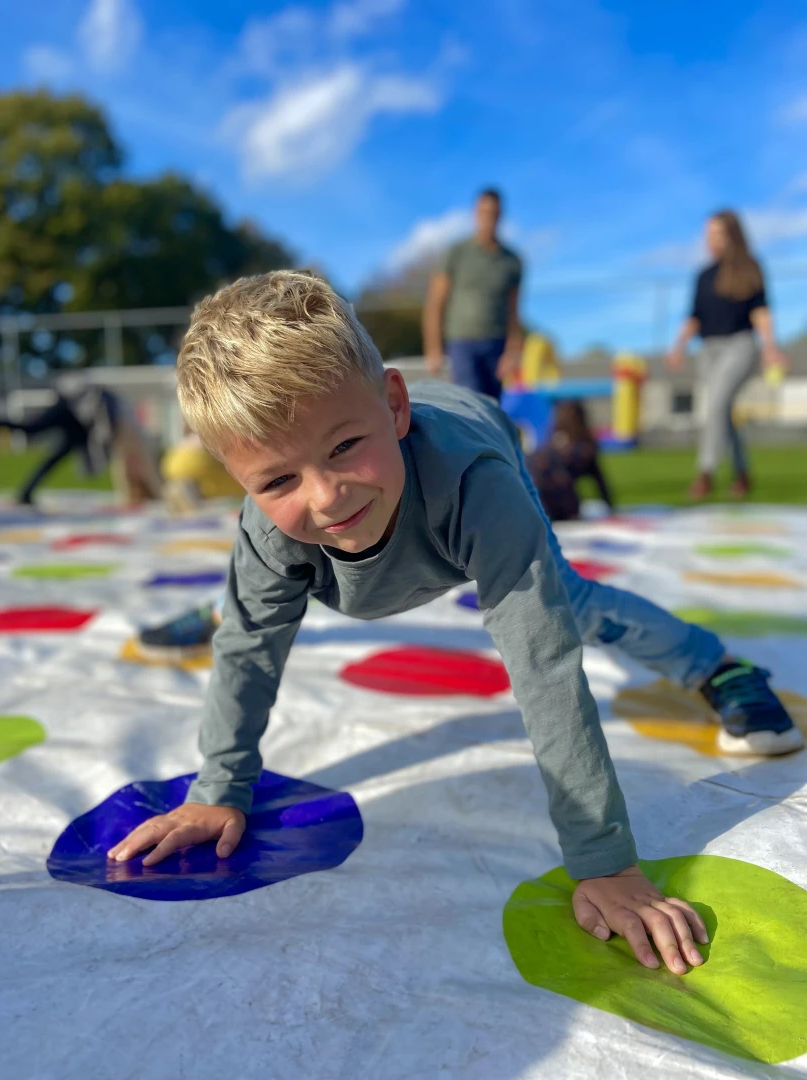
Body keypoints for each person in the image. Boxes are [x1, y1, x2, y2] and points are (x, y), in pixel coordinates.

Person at [110, 272, 802, 978]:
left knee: (562, 602)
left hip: (474, 454)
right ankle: (231, 600)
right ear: (242, 482)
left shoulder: (476, 484)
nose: (327, 495)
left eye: (346, 446)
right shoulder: (268, 531)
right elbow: (251, 655)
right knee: (254, 618)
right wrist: (220, 788)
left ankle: (719, 665)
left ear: (395, 405)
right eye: (278, 482)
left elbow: (544, 665)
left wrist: (606, 863)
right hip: (303, 560)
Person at [667, 210, 789, 500]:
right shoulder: (703, 276)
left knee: (717, 403)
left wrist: (771, 347)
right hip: (709, 350)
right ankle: (742, 472)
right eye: (708, 234)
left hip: (740, 346)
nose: (711, 240)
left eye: (718, 234)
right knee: (722, 412)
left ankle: (705, 473)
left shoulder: (750, 268)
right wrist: (678, 346)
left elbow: (760, 312)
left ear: (732, 236)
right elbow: (695, 317)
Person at [422, 189, 523, 400]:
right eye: (483, 212)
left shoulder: (512, 261)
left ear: (500, 215)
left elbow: (514, 310)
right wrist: (433, 348)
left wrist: (513, 352)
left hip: (497, 343)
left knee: (493, 408)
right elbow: (435, 302)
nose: (488, 218)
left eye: (493, 213)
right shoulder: (457, 252)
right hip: (462, 342)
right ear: (476, 214)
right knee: (469, 403)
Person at [0, 377, 161, 505]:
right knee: (32, 429)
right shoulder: (130, 427)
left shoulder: (126, 426)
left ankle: (26, 493)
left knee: (53, 457)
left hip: (81, 426)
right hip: (73, 412)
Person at [526, 400, 613, 521]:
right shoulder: (582, 448)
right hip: (550, 501)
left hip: (536, 500)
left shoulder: (553, 444)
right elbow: (597, 478)